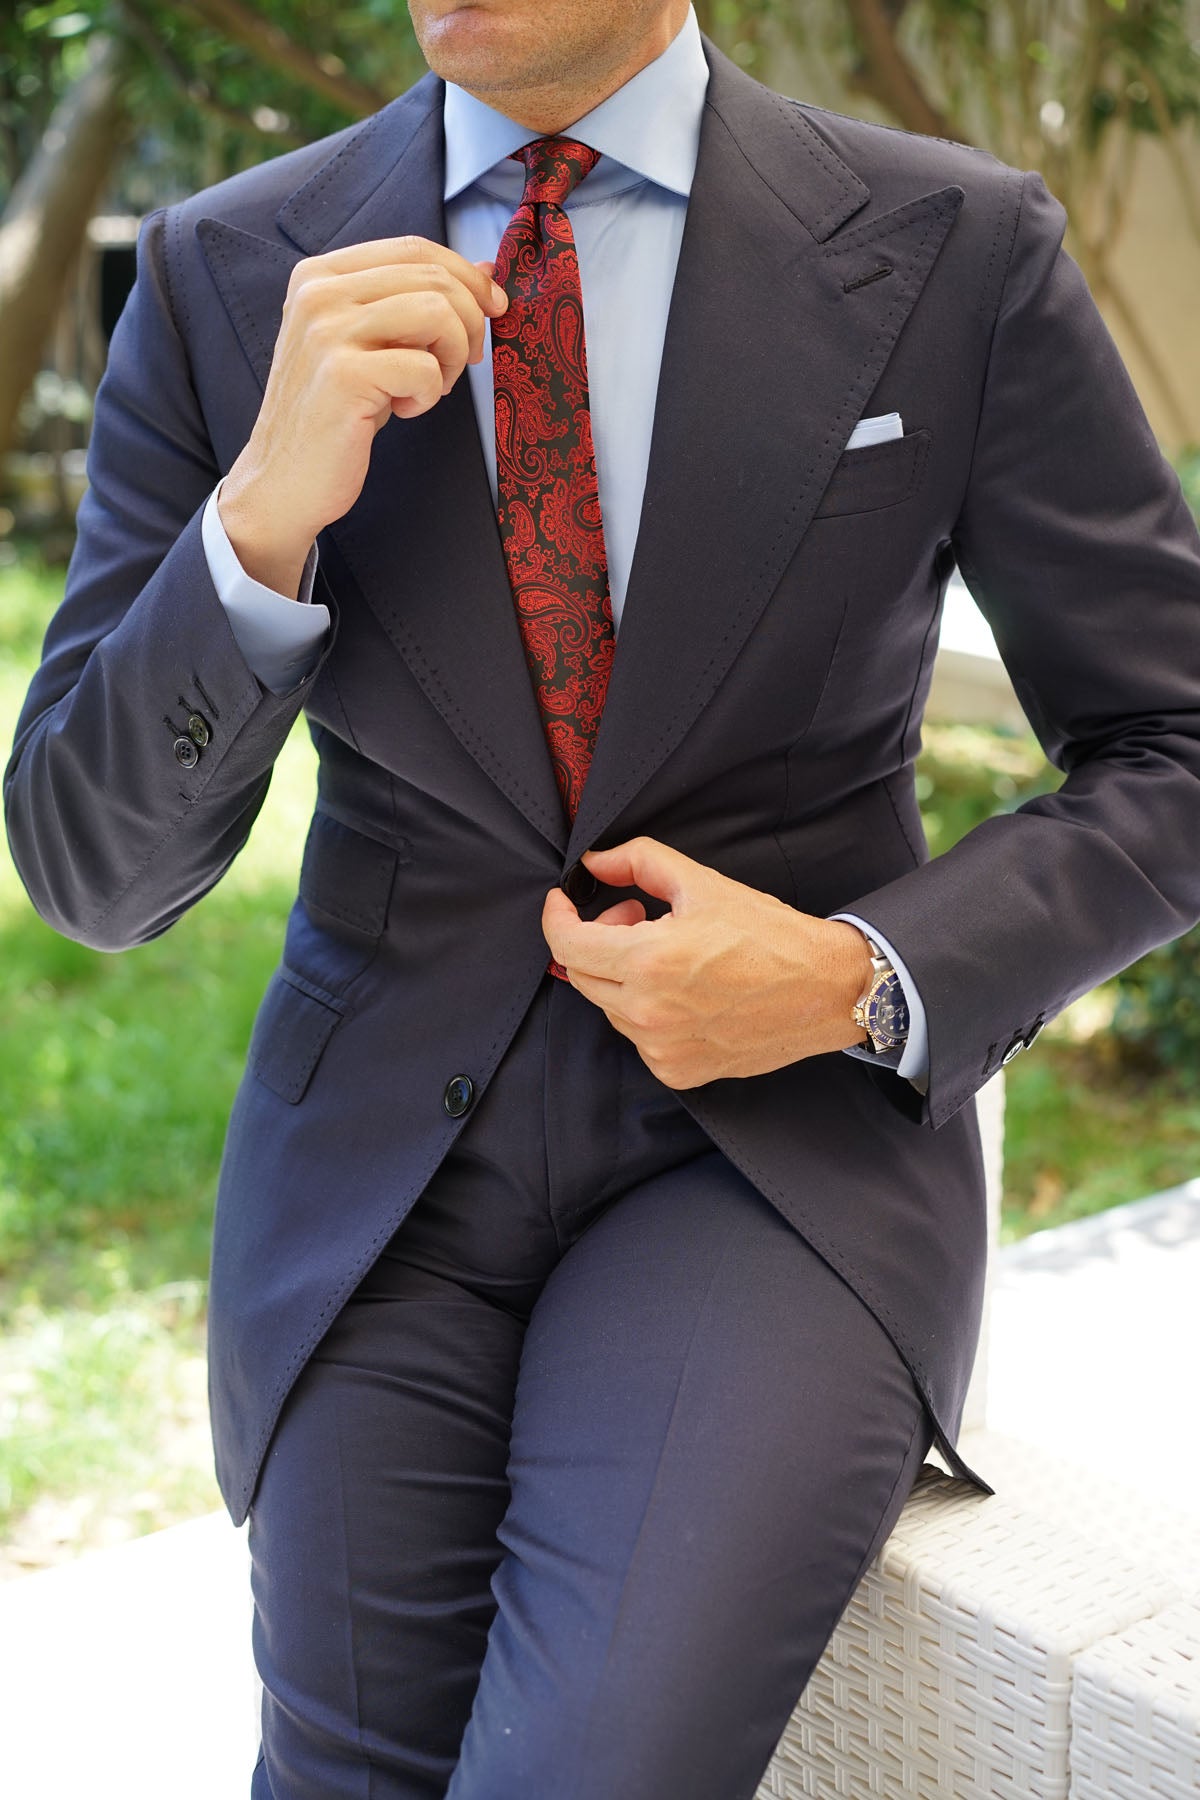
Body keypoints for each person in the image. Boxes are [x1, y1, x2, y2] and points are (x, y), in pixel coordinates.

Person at [6, 1, 1200, 1794]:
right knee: (337, 1769)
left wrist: (862, 977)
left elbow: (1171, 739)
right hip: (380, 1173)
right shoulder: (228, 268)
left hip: (778, 1156)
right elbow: (93, 873)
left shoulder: (956, 247)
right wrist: (252, 533)